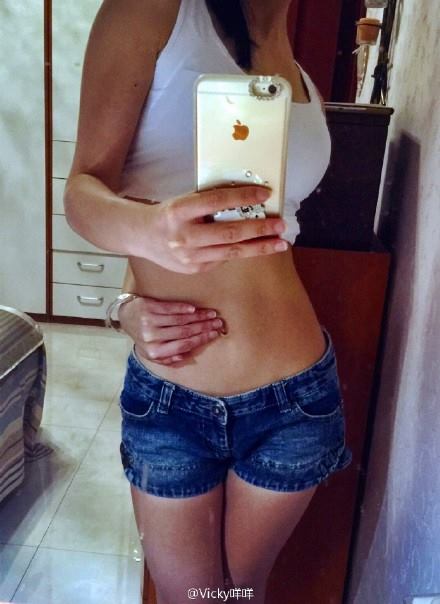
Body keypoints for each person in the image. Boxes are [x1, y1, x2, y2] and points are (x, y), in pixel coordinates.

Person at [64, 1, 353, 602]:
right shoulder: (152, 12)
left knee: (241, 593)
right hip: (172, 400)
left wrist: (131, 293)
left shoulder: (298, 74)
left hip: (297, 398)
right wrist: (143, 251)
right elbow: (84, 192)